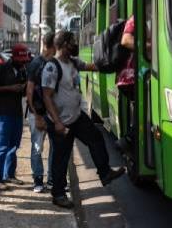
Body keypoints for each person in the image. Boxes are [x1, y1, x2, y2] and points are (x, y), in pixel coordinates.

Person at [42, 30, 125, 209]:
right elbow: (47, 96)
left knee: (95, 137)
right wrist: (56, 122)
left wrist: (114, 62)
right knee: (61, 159)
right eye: (71, 42)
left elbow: (91, 66)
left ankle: (104, 172)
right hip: (61, 121)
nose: (74, 45)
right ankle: (58, 194)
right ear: (63, 45)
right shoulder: (52, 67)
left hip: (76, 117)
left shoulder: (72, 62)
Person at [0, 44, 29, 191]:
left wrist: (24, 88)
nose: (23, 62)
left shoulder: (23, 70)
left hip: (16, 113)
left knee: (14, 146)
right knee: (1, 146)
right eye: (21, 59)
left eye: (25, 60)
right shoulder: (1, 68)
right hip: (3, 113)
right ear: (14, 57)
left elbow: (23, 92)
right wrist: (10, 88)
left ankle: (9, 174)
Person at [25, 33, 56, 193]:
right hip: (38, 112)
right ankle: (38, 180)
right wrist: (36, 115)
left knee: (54, 147)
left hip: (52, 113)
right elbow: (29, 91)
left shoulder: (53, 63)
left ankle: (51, 180)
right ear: (53, 46)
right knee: (37, 147)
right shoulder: (36, 63)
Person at [115, 15, 135, 153]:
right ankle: (128, 140)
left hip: (131, 78)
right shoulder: (135, 19)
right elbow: (126, 40)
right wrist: (151, 46)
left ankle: (129, 139)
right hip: (129, 78)